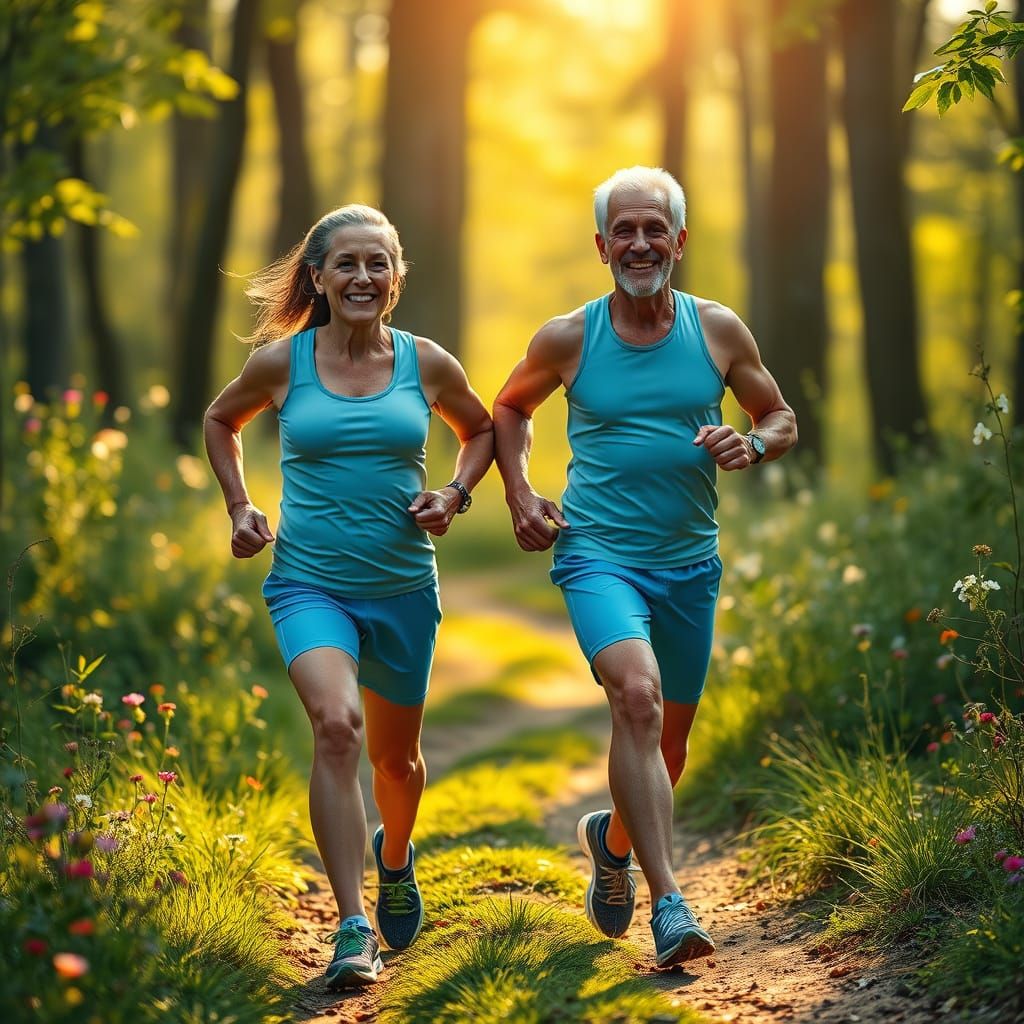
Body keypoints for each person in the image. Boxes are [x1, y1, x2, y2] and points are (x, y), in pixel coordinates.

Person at [492, 167, 796, 968]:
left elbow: (779, 415)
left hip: (690, 562)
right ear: (601, 246)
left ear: (679, 242)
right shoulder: (570, 336)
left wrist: (754, 442)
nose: (639, 243)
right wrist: (521, 491)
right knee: (637, 694)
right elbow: (510, 407)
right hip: (598, 553)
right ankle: (671, 903)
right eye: (623, 231)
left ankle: (613, 839)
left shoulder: (719, 330)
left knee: (668, 747)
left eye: (654, 229)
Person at [204, 204, 493, 989]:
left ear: (396, 279)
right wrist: (239, 504)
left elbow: (481, 430)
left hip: (402, 587)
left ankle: (393, 858)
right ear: (320, 277)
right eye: (347, 264)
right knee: (338, 728)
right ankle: (352, 926)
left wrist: (455, 493)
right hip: (309, 584)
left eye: (377, 264)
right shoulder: (282, 364)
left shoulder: (427, 363)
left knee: (395, 761)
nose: (362, 277)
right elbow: (221, 420)